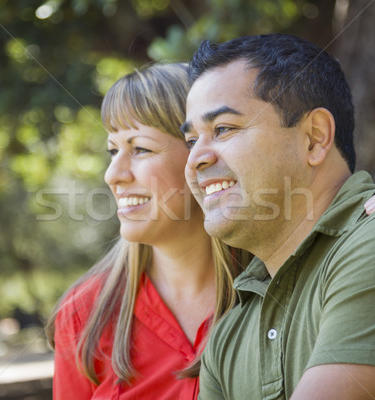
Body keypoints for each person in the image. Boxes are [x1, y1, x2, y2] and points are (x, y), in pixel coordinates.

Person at [182, 34, 375, 399]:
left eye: (223, 128)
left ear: (315, 138)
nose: (195, 159)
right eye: (191, 141)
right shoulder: (230, 335)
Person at [47, 63, 252, 400]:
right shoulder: (83, 312)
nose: (113, 174)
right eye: (113, 150)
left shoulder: (279, 287)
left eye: (139, 148)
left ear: (201, 157)